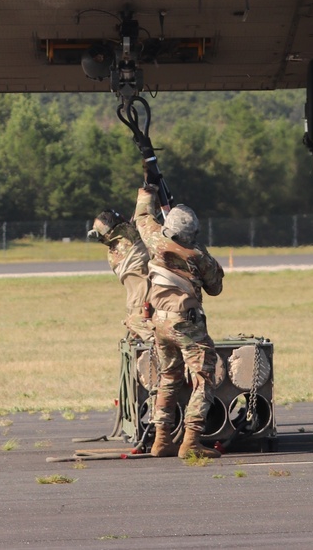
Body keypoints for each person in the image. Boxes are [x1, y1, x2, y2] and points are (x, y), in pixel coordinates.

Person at [134, 183, 224, 459]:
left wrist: (146, 192)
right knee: (204, 378)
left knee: (169, 377)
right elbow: (215, 288)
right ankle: (191, 442)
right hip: (187, 323)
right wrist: (206, 255)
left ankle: (162, 440)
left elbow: (141, 218)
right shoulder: (197, 256)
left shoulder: (155, 239)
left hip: (159, 322)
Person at [91, 209, 153, 341]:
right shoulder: (130, 238)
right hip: (147, 307)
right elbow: (145, 210)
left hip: (134, 308)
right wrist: (149, 192)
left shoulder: (114, 252)